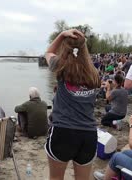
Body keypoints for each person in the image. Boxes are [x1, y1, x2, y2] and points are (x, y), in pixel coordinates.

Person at [45, 29, 100, 180]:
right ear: (85, 48)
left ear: (65, 47)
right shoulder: (94, 72)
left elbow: (48, 52)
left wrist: (62, 34)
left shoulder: (60, 66)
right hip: (88, 133)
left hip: (63, 131)